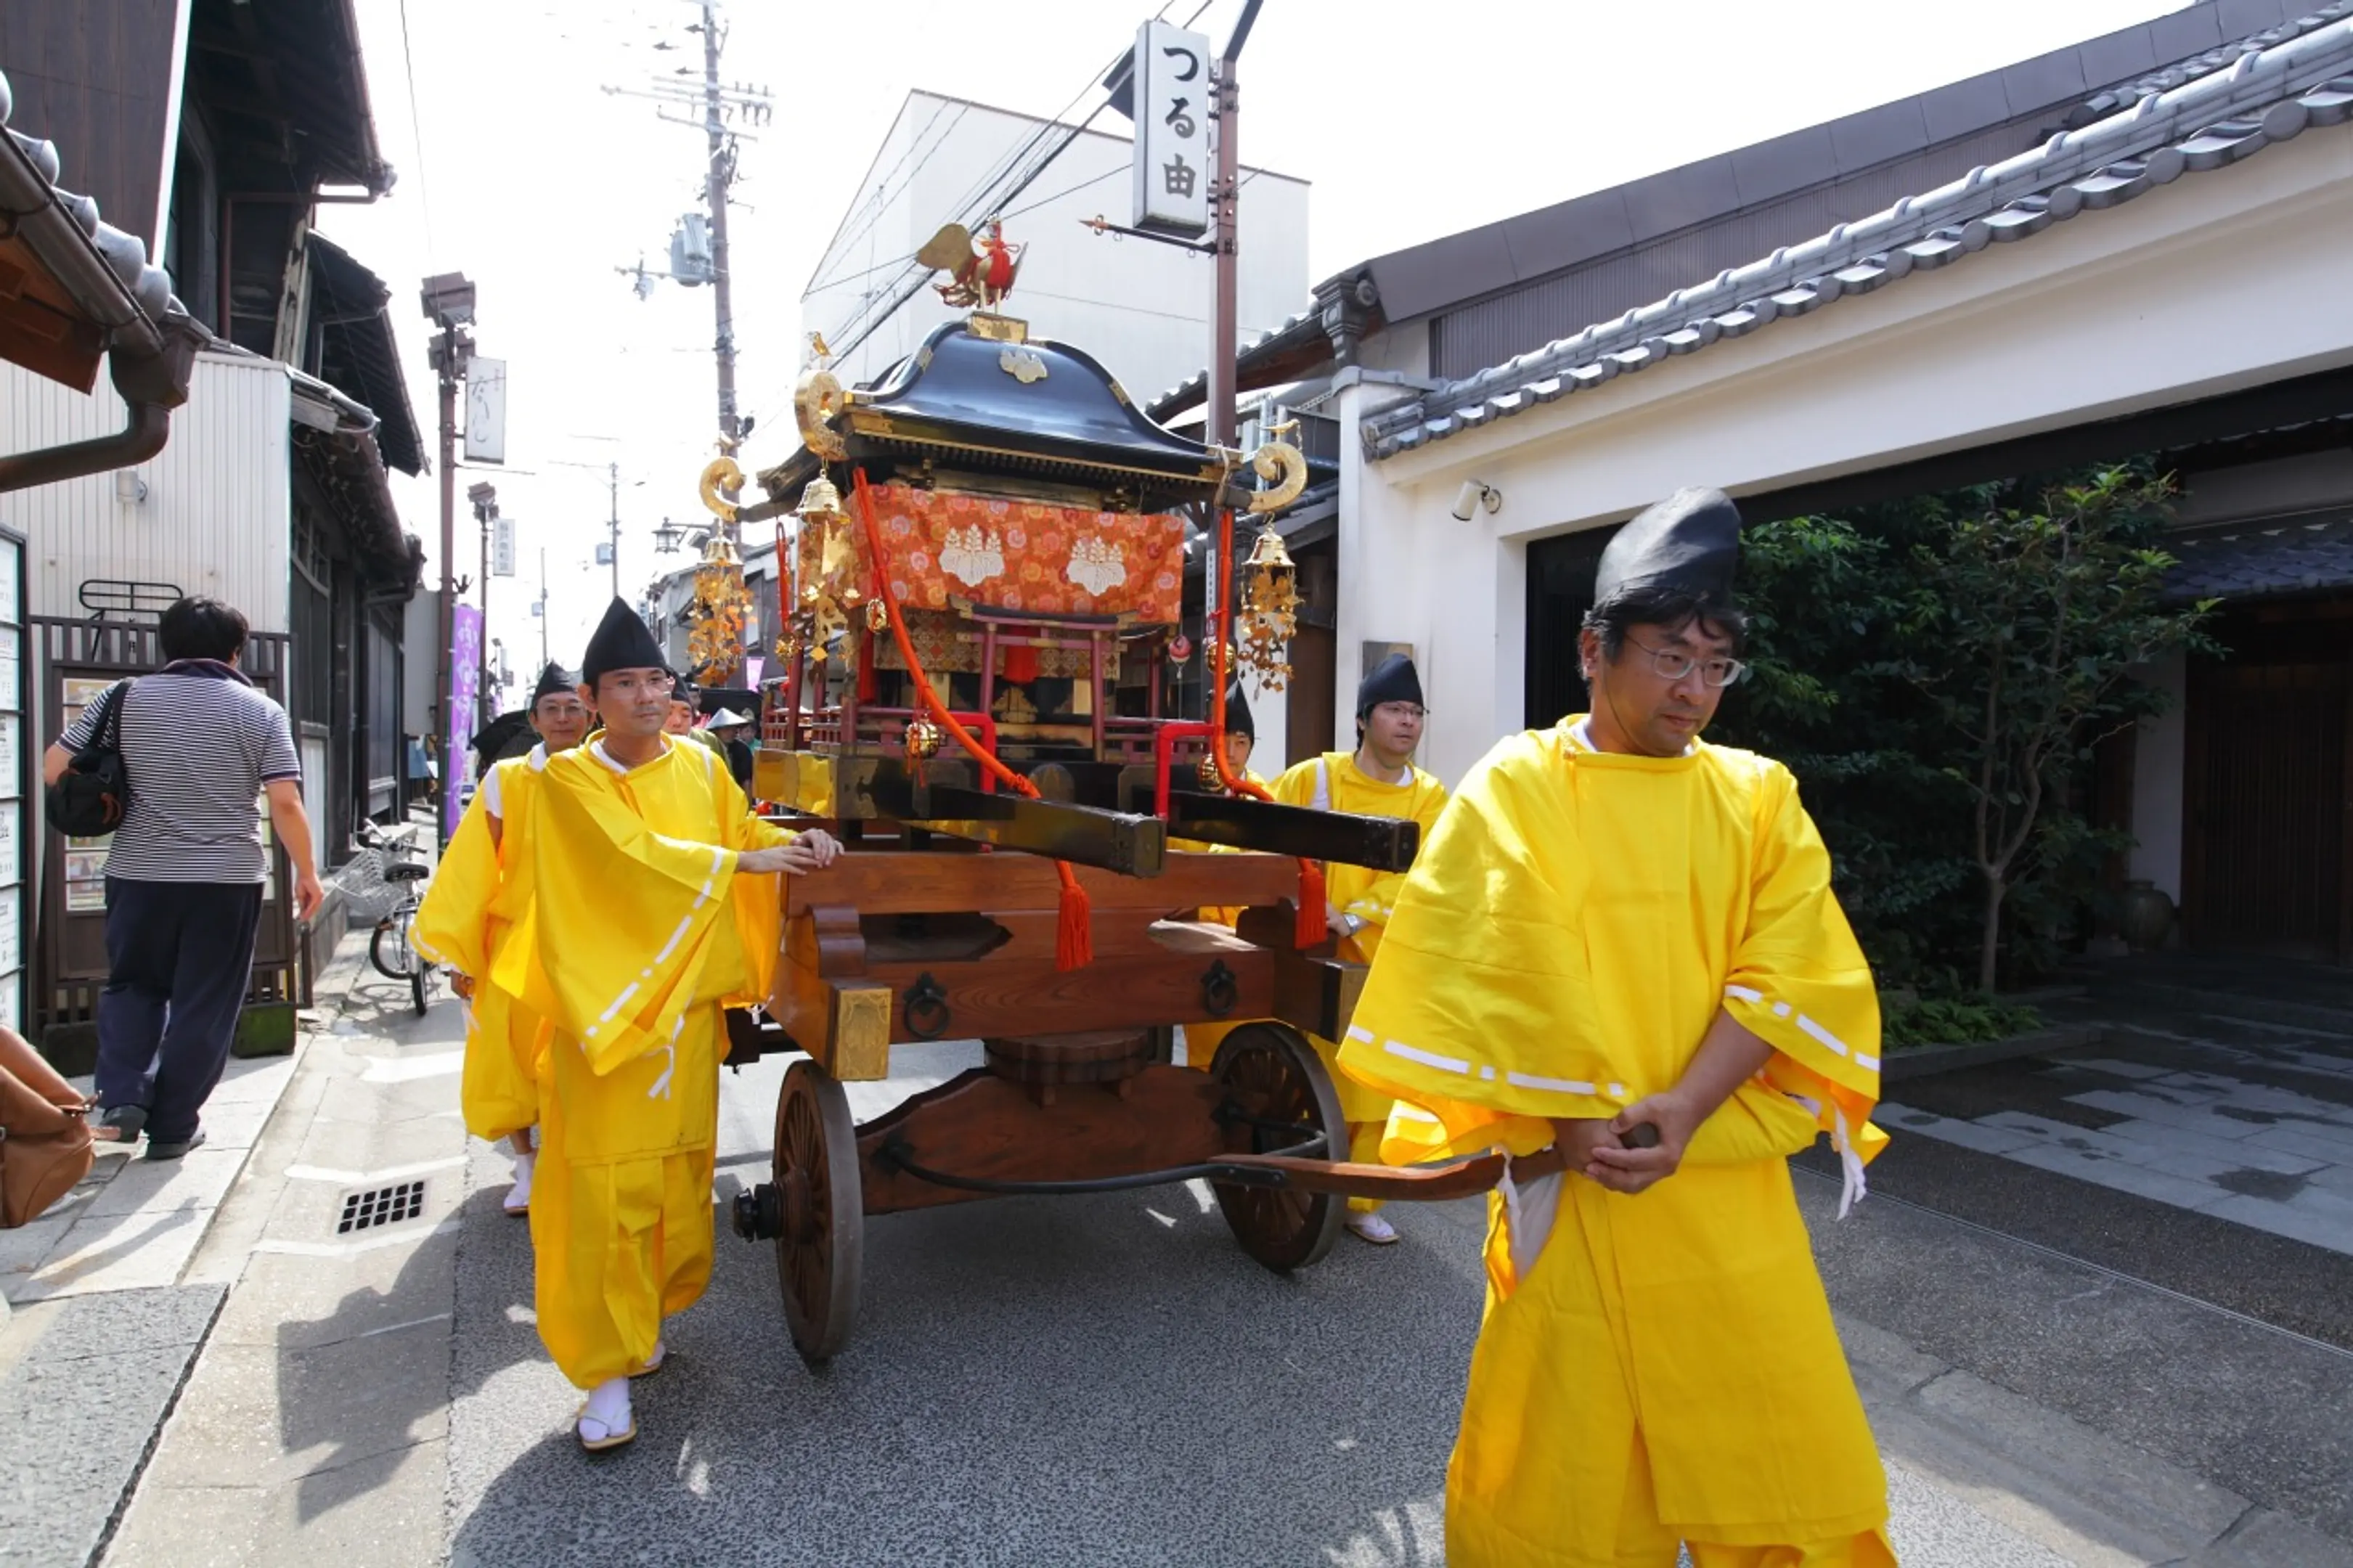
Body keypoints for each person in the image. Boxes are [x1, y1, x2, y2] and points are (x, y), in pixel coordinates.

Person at [1337, 489, 1891, 1565]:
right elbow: (1497, 971)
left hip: (1719, 1181)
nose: (1693, 692)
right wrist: (1568, 1123)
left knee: (1775, 1448)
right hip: (1574, 1175)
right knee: (1563, 1473)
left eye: (1715, 666)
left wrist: (1685, 1104)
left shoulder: (1759, 795)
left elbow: (1788, 977)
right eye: (1670, 659)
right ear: (1594, 650)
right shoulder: (1519, 786)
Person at [489, 600, 841, 1452]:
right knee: (602, 1190)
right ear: (590, 697)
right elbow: (631, 856)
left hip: (681, 1013)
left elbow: (735, 828)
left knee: (674, 1180)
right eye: (625, 684)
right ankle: (602, 1373)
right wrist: (740, 861)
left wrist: (792, 840)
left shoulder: (699, 762)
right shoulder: (564, 779)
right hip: (603, 1016)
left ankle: (641, 1323)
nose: (646, 696)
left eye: (656, 679)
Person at [41, 596, 326, 1159]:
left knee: (132, 984)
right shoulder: (260, 710)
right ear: (236, 649)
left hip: (139, 872)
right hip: (227, 879)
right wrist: (307, 873)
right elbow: (285, 803)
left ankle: (123, 1095)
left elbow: (55, 767)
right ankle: (172, 1127)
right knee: (207, 1001)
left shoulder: (122, 697)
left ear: (165, 646)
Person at [1265, 653, 1448, 1245]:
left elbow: (1429, 872)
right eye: (1395, 709)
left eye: (1417, 712)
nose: (1408, 722)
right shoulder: (1314, 779)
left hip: (1381, 959)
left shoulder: (1428, 795)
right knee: (1304, 1074)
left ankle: (1361, 1198)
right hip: (1307, 950)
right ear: (1364, 718)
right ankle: (1295, 1179)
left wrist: (1357, 914)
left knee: (1375, 1086)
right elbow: (1267, 837)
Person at [415, 662, 594, 1217]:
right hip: (516, 936)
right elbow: (473, 867)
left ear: (589, 714)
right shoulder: (507, 778)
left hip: (591, 940)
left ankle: (581, 1163)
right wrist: (460, 951)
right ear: (535, 720)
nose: (563, 719)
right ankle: (526, 1166)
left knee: (580, 1056)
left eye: (572, 708)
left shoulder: (607, 772)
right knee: (509, 1058)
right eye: (552, 710)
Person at [703, 706, 756, 791]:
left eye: (733, 729)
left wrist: (747, 803)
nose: (731, 733)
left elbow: (746, 781)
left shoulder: (742, 750)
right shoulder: (707, 748)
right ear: (716, 731)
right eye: (726, 729)